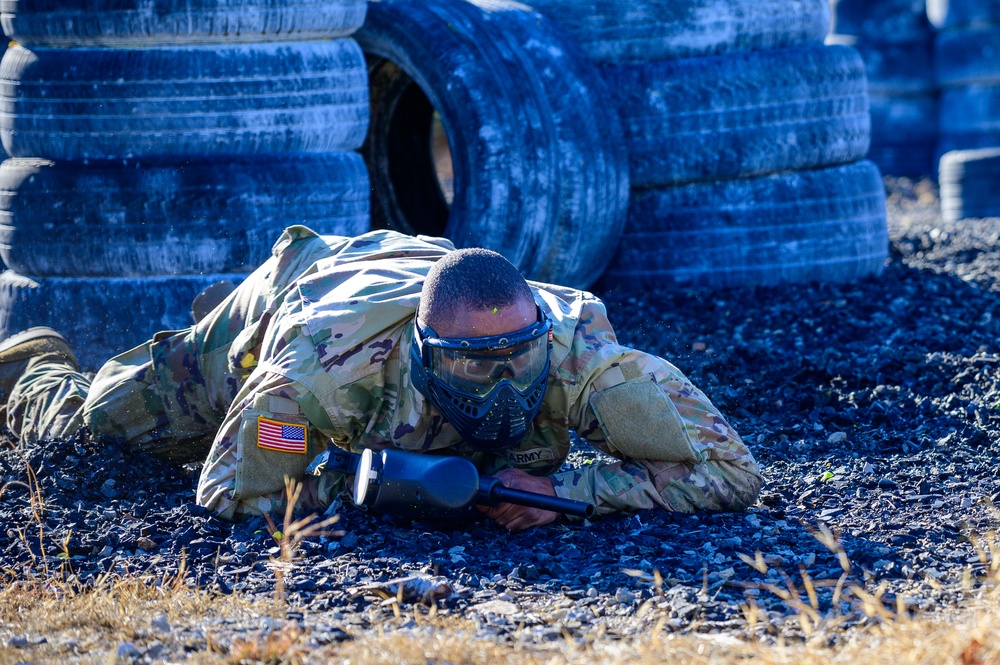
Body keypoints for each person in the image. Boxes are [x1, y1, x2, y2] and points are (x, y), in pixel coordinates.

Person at [0, 226, 761, 531]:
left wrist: (567, 495)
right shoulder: (322, 376)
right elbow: (231, 483)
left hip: (430, 267)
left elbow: (730, 470)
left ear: (540, 335)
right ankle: (37, 369)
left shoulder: (582, 357)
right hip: (300, 302)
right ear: (429, 353)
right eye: (473, 365)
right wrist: (363, 479)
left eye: (517, 359)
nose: (503, 386)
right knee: (100, 424)